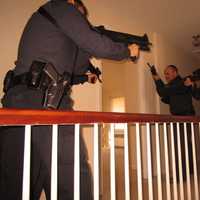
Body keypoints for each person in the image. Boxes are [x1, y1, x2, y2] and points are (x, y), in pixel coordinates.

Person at [0, 0, 139, 199]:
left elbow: (73, 70)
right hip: (41, 99)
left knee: (23, 175)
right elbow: (93, 41)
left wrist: (85, 70)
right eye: (80, 17)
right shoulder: (61, 6)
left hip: (27, 98)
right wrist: (127, 52)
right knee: (69, 171)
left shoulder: (55, 29)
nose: (81, 21)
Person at [148, 63, 199, 181]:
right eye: (165, 73)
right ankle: (190, 170)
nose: (166, 75)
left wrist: (155, 75)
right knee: (186, 145)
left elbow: (163, 91)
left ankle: (180, 175)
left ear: (175, 73)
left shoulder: (180, 82)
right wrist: (168, 98)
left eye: (167, 73)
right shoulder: (175, 85)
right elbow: (167, 95)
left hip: (183, 117)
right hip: (184, 117)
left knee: (180, 146)